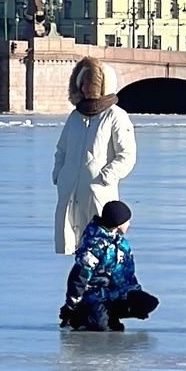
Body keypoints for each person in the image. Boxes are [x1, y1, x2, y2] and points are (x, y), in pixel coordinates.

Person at [52, 56, 136, 255]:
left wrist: (105, 177)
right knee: (75, 244)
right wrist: (59, 174)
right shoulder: (75, 116)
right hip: (70, 190)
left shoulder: (116, 116)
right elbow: (62, 150)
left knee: (100, 247)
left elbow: (126, 155)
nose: (85, 88)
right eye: (82, 83)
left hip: (98, 192)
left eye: (90, 83)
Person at [59, 200, 158, 331]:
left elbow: (128, 273)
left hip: (116, 293)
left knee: (148, 303)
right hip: (94, 295)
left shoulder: (122, 245)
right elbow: (79, 276)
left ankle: (111, 314)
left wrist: (134, 295)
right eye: (127, 221)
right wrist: (72, 305)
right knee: (100, 325)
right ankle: (81, 316)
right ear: (118, 223)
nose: (129, 224)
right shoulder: (94, 245)